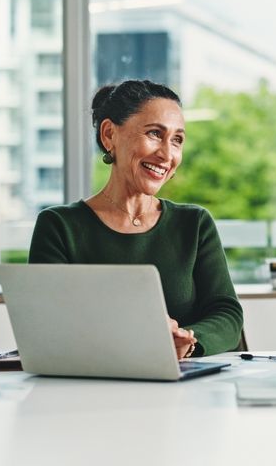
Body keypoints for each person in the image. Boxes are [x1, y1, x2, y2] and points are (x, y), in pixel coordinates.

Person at [29, 80, 243, 359]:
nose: (167, 154)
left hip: (185, 385)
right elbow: (45, 324)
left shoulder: (194, 223)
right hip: (89, 386)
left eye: (177, 140)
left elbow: (227, 314)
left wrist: (187, 341)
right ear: (109, 135)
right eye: (155, 133)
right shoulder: (58, 226)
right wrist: (143, 334)